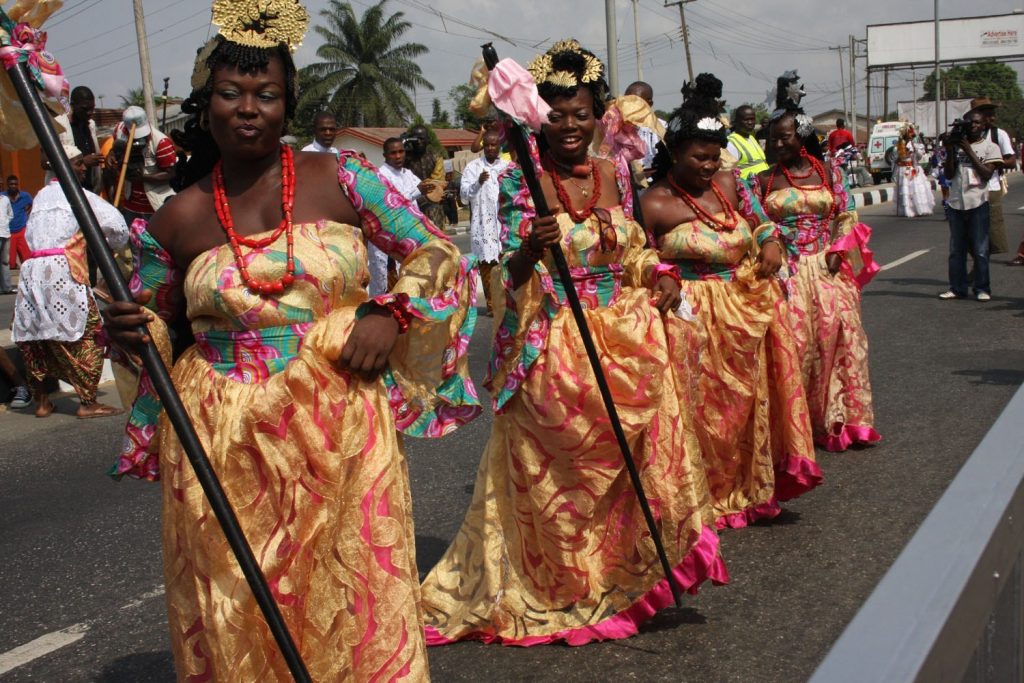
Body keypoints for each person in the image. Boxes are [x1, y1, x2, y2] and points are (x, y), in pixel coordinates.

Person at [102, 2, 479, 679]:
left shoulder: (339, 179)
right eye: (230, 92)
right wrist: (131, 331)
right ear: (206, 102)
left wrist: (389, 313)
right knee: (239, 598)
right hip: (224, 441)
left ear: (290, 104)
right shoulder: (173, 221)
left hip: (340, 425)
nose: (248, 107)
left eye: (266, 93)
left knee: (353, 587)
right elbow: (155, 336)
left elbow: (434, 251)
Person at [421, 39, 726, 647]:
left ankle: (620, 575)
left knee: (630, 463)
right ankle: (561, 584)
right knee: (563, 477)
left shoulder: (615, 172)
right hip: (555, 345)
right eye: (555, 113)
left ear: (599, 115)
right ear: (536, 114)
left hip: (627, 340)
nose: (567, 125)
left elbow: (634, 248)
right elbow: (503, 272)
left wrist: (661, 276)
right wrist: (530, 249)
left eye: (580, 113)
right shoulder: (517, 180)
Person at [641, 72, 821, 528]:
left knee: (746, 407)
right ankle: (701, 498)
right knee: (701, 412)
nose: (707, 166)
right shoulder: (652, 202)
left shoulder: (731, 183)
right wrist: (663, 275)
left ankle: (752, 490)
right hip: (688, 317)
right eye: (697, 157)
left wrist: (769, 242)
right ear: (674, 153)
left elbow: (760, 221)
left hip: (744, 308)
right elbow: (639, 256)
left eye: (713, 157)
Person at [758, 96, 882, 452]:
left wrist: (840, 249)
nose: (778, 144)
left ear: (802, 137)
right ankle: (799, 424)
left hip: (827, 267)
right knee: (797, 346)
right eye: (773, 138)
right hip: (789, 274)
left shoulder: (828, 173)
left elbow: (846, 215)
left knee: (840, 341)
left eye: (785, 137)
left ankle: (840, 419)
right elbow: (759, 225)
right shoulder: (763, 182)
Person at [11, 142, 127, 418]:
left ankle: (41, 402)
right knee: (90, 333)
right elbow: (119, 228)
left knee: (37, 336)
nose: (83, 168)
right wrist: (102, 243)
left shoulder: (39, 196)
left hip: (31, 272)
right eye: (78, 164)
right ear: (63, 166)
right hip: (63, 269)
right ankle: (87, 401)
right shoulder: (78, 195)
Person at [939, 111, 1002, 301]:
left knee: (980, 250)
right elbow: (949, 175)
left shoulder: (990, 148)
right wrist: (951, 149)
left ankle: (982, 288)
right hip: (957, 203)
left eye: (977, 123)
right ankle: (957, 288)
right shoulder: (958, 145)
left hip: (978, 202)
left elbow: (986, 174)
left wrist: (968, 150)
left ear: (984, 126)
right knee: (956, 251)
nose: (973, 126)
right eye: (970, 123)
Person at [51, 86, 105, 285]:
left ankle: (89, 288)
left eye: (92, 109)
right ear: (73, 106)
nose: (90, 113)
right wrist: (82, 161)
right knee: (72, 246)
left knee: (92, 247)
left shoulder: (90, 126)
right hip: (67, 197)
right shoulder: (58, 125)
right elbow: (44, 161)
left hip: (89, 192)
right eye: (85, 109)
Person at [459, 129, 508, 316]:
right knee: (487, 267)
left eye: (493, 144)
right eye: (486, 145)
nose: (489, 148)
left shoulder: (507, 167)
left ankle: (506, 304)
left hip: (503, 224)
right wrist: (477, 182)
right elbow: (464, 195)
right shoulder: (473, 167)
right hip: (483, 226)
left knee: (505, 266)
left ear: (499, 146)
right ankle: (491, 305)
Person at [372, 136, 423, 295]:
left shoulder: (407, 173)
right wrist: (418, 191)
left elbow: (422, 188)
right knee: (390, 289)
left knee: (409, 284)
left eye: (401, 152)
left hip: (408, 237)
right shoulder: (381, 175)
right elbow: (392, 202)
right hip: (390, 240)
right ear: (385, 155)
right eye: (393, 153)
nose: (398, 156)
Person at [109, 106, 176, 223]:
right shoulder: (119, 131)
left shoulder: (161, 142)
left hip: (154, 206)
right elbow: (113, 150)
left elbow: (171, 174)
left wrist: (143, 178)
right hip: (130, 203)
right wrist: (110, 156)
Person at [970, 98, 1016, 256]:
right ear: (977, 116)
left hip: (991, 187)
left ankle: (980, 267)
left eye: (993, 114)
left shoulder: (998, 134)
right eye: (988, 114)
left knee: (990, 230)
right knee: (970, 232)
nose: (993, 118)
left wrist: (993, 163)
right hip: (969, 189)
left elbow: (1011, 160)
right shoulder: (966, 136)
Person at [403, 123, 447, 229]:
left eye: (421, 138)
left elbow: (436, 183)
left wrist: (419, 189)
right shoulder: (405, 159)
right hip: (412, 205)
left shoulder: (436, 157)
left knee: (436, 240)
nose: (418, 141)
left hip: (433, 206)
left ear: (427, 140)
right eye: (415, 138)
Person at [624, 80, 668, 172]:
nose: (629, 105)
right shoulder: (616, 129)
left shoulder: (663, 129)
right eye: (626, 101)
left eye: (635, 101)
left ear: (649, 103)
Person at [893, 124, 935, 218]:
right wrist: (901, 155)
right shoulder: (898, 147)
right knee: (905, 189)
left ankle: (918, 208)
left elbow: (919, 158)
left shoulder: (914, 146)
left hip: (912, 168)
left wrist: (915, 150)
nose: (910, 138)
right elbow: (896, 160)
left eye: (911, 137)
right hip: (902, 170)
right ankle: (905, 210)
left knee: (915, 189)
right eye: (908, 136)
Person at [726, 105, 769, 180]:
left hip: (762, 186)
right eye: (746, 120)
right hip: (748, 188)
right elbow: (729, 172)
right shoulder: (731, 142)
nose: (750, 122)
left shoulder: (751, 138)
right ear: (736, 121)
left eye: (752, 119)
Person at [6, 175, 32, 270]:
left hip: (22, 230)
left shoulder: (25, 196)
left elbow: (31, 205)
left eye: (15, 184)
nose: (13, 186)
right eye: (11, 184)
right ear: (7, 185)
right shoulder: (3, 197)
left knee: (27, 260)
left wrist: (26, 215)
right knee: (10, 263)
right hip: (8, 232)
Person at [0, 189, 12, 293]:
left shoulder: (5, 199)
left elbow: (10, 214)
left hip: (5, 233)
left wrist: (5, 222)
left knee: (5, 261)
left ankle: (7, 287)